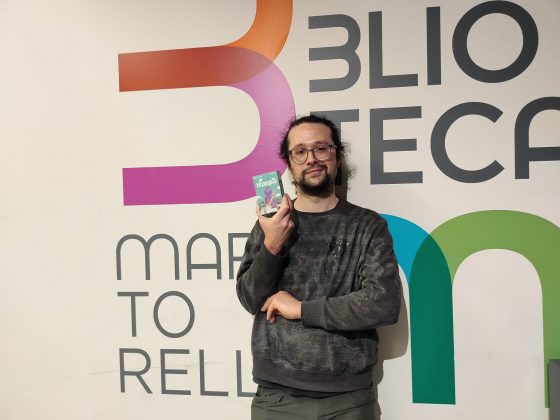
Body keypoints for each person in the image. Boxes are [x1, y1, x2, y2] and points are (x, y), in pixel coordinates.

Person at [236, 115, 402, 419]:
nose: (311, 158)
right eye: (300, 151)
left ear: (336, 155)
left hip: (348, 400)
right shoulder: (270, 225)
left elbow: (384, 303)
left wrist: (301, 309)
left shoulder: (368, 225)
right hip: (277, 398)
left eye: (321, 148)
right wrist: (272, 245)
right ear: (290, 163)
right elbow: (249, 298)